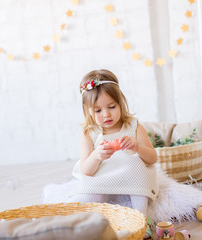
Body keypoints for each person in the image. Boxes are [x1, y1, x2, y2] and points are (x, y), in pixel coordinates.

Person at [71, 69, 159, 239]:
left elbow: (152, 158)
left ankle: (141, 219)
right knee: (84, 201)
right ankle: (98, 222)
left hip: (130, 174)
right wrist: (97, 155)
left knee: (136, 164)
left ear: (121, 103)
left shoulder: (134, 127)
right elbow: (86, 170)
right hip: (104, 175)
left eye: (112, 106)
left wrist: (137, 148)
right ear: (88, 110)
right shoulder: (90, 133)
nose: (106, 114)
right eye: (98, 111)